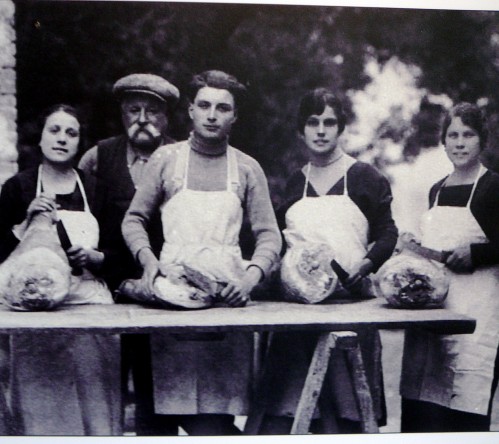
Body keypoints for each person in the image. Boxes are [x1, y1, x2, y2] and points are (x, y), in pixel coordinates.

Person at [122, 70, 282, 435]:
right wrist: (148, 263)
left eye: (223, 108)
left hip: (227, 304)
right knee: (163, 410)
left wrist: (249, 278)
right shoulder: (165, 160)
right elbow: (133, 220)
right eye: (205, 105)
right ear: (191, 110)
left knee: (214, 421)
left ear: (234, 116)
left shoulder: (246, 167)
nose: (212, 115)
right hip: (171, 300)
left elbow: (269, 235)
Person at [259, 88, 398, 434]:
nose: (321, 130)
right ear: (300, 129)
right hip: (298, 314)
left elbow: (388, 234)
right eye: (312, 122)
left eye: (329, 123)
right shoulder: (295, 182)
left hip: (352, 309)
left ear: (341, 129)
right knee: (289, 415)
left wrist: (364, 266)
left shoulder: (365, 177)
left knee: (351, 417)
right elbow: (275, 241)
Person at [0, 104, 120, 435]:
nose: (62, 139)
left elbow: (121, 253)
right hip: (34, 314)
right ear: (39, 139)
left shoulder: (97, 190)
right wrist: (22, 225)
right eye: (54, 130)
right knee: (43, 405)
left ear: (80, 142)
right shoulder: (18, 188)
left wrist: (97, 258)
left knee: (96, 405)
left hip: (89, 311)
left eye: (71, 132)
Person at [78, 73, 180, 435]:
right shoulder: (98, 157)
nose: (142, 120)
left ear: (166, 118)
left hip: (165, 291)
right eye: (134, 110)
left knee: (160, 389)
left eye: (152, 112)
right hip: (108, 289)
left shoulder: (180, 158)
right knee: (107, 385)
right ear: (122, 114)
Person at [400, 102, 499, 432]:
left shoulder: (493, 188)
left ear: (482, 140)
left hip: (477, 320)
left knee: (463, 418)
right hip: (430, 321)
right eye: (452, 135)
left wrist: (478, 254)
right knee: (421, 415)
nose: (459, 142)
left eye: (468, 135)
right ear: (443, 142)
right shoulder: (436, 190)